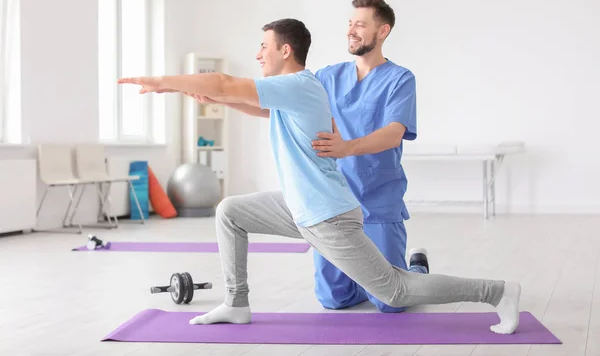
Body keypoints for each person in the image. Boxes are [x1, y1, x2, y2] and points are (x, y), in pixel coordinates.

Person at [118, 18, 521, 335]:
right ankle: (237, 302)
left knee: (393, 291)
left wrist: (163, 82)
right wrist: (217, 98)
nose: (258, 54)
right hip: (298, 207)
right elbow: (252, 104)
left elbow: (227, 82)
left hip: (326, 214)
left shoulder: (299, 84)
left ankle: (497, 292)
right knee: (230, 211)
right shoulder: (291, 92)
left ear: (285, 50)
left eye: (264, 46)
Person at [310, 0, 425, 313]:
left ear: (383, 31)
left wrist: (347, 147)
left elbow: (394, 133)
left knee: (392, 301)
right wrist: (228, 98)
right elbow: (289, 106)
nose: (351, 30)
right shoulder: (327, 77)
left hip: (377, 198)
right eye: (350, 24)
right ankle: (366, 280)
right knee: (333, 300)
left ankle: (416, 270)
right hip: (334, 203)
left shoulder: (400, 79)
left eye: (360, 24)